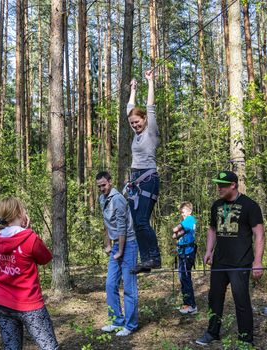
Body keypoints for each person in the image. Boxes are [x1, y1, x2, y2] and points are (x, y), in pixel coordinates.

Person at [0, 197, 59, 350]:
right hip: (30, 304)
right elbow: (45, 258)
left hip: (3, 304)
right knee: (49, 347)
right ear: (19, 213)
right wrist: (28, 230)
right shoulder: (30, 238)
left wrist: (0, 286)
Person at [196, 171, 265, 347]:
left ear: (233, 185)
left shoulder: (250, 205)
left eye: (222, 185)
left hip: (240, 262)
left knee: (241, 300)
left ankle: (245, 338)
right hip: (219, 261)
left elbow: (259, 234)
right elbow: (212, 229)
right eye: (217, 184)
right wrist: (209, 251)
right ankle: (212, 332)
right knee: (214, 298)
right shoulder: (216, 205)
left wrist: (257, 261)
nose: (218, 188)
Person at [126, 69, 162, 274]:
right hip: (136, 180)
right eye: (132, 124)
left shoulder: (151, 131)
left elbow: (150, 107)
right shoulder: (136, 131)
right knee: (136, 222)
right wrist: (132, 89)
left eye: (137, 122)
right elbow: (130, 109)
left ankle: (154, 257)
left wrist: (149, 82)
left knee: (141, 221)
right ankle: (146, 259)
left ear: (145, 120)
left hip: (148, 178)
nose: (135, 126)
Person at [96, 171, 139, 337]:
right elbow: (106, 224)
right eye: (99, 186)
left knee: (129, 287)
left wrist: (120, 251)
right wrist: (108, 244)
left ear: (110, 182)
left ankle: (130, 325)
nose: (101, 188)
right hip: (116, 245)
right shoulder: (102, 199)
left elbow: (122, 228)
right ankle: (116, 321)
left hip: (128, 245)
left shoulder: (118, 199)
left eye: (104, 185)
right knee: (110, 284)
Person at [172, 201, 197, 315]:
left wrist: (177, 231)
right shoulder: (186, 221)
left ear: (189, 211)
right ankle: (186, 303)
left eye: (184, 212)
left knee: (185, 278)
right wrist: (178, 232)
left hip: (188, 253)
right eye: (181, 212)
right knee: (182, 278)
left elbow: (175, 230)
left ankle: (191, 305)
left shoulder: (190, 219)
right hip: (182, 253)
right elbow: (175, 235)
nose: (182, 214)